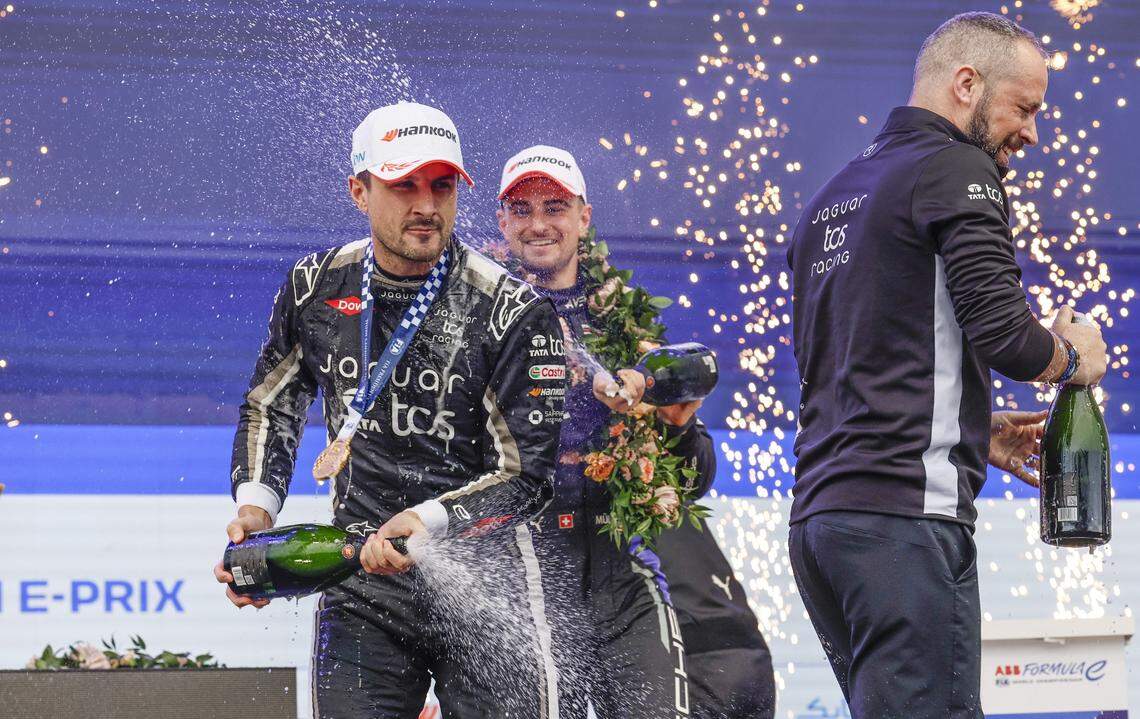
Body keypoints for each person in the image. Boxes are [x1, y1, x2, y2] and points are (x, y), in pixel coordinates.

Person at [785, 12, 1107, 718]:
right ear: (967, 84)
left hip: (821, 527)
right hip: (904, 523)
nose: (1032, 132)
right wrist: (1074, 358)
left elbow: (856, 360)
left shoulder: (833, 196)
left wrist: (970, 428)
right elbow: (1006, 335)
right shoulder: (957, 166)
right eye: (1025, 107)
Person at [213, 101, 566, 719]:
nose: (426, 205)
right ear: (359, 191)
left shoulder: (513, 309)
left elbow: (528, 476)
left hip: (486, 584)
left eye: (442, 186)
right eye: (405, 185)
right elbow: (272, 403)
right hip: (359, 580)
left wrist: (427, 520)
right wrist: (256, 509)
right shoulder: (317, 285)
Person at [497, 145, 773, 718]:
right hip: (518, 583)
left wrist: (680, 426)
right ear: (503, 222)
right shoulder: (480, 320)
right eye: (522, 210)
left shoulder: (627, 328)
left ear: (584, 218)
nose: (538, 223)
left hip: (619, 572)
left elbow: (690, 483)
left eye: (554, 207)